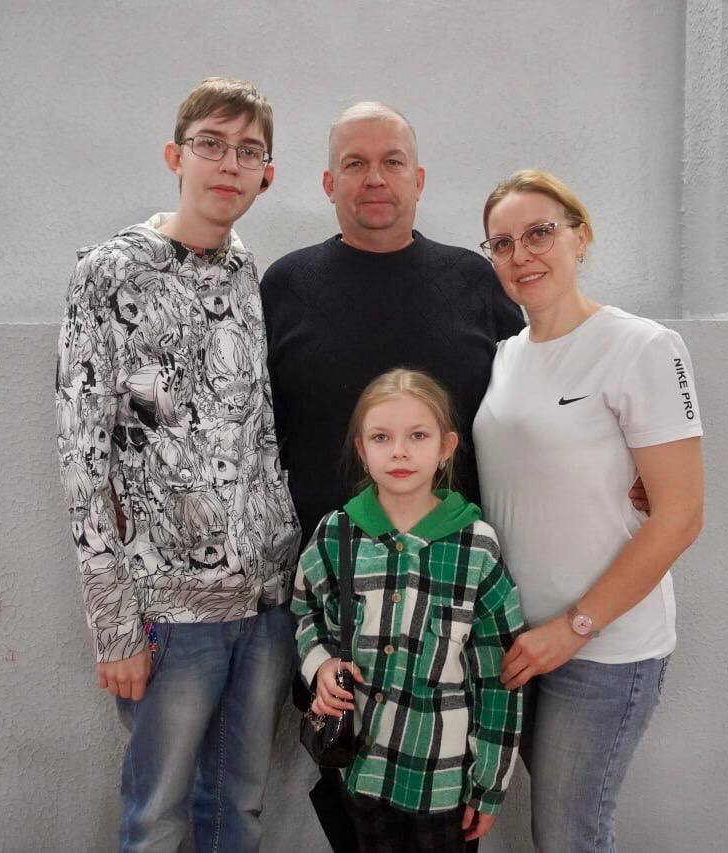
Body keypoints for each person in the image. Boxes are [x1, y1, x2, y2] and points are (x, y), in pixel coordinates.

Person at [258, 101, 525, 850]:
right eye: (355, 163)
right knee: (352, 793)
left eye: (391, 162)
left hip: (447, 610)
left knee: (439, 816)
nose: (374, 178)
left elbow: (536, 391)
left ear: (419, 178)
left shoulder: (472, 280)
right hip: (335, 595)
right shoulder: (286, 285)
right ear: (327, 183)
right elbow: (246, 424)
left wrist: (625, 460)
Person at [55, 77, 300, 852]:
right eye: (211, 145)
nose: (229, 164)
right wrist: (114, 627)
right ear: (175, 156)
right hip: (170, 613)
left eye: (248, 151)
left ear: (267, 174)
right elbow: (82, 456)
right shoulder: (110, 272)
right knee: (156, 815)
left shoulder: (247, 274)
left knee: (239, 807)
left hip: (265, 602)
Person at [472, 170, 705, 852]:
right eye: (502, 243)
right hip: (520, 644)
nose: (521, 254)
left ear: (581, 237)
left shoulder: (642, 347)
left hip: (602, 646)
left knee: (569, 834)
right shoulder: (504, 357)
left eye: (540, 233)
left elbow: (681, 514)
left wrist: (574, 627)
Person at [292, 369, 525, 852]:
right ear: (362, 449)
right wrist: (321, 666)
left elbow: (497, 675)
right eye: (382, 437)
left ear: (446, 447)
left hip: (442, 782)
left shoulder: (476, 547)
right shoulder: (336, 534)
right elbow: (306, 612)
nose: (399, 451)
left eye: (418, 435)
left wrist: (489, 783)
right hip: (361, 771)